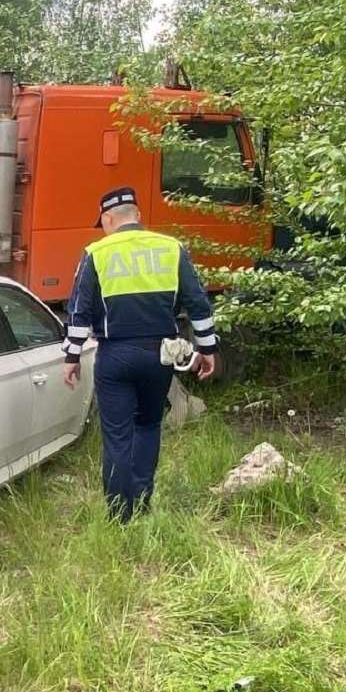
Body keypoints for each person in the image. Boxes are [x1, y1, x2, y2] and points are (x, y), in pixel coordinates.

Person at [61, 187, 217, 522]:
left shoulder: (96, 253)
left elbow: (78, 312)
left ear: (108, 218)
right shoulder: (171, 248)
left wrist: (71, 357)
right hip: (159, 354)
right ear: (138, 216)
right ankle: (143, 503)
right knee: (148, 426)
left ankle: (120, 515)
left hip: (115, 355)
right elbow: (198, 304)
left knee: (117, 435)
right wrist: (207, 349)